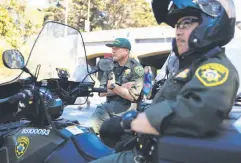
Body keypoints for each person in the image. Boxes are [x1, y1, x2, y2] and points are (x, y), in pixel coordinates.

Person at [90, 0, 239, 162]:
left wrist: (134, 121)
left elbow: (197, 112)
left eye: (186, 23)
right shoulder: (189, 68)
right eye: (177, 25)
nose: (178, 32)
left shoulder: (215, 69)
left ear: (211, 24)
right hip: (148, 146)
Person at [89, 38, 144, 135]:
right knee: (92, 132)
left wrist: (113, 86)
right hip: (109, 109)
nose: (113, 51)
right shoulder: (110, 66)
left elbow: (132, 96)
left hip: (126, 113)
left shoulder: (136, 68)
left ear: (126, 51)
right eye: (112, 48)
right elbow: (101, 92)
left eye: (116, 48)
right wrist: (120, 87)